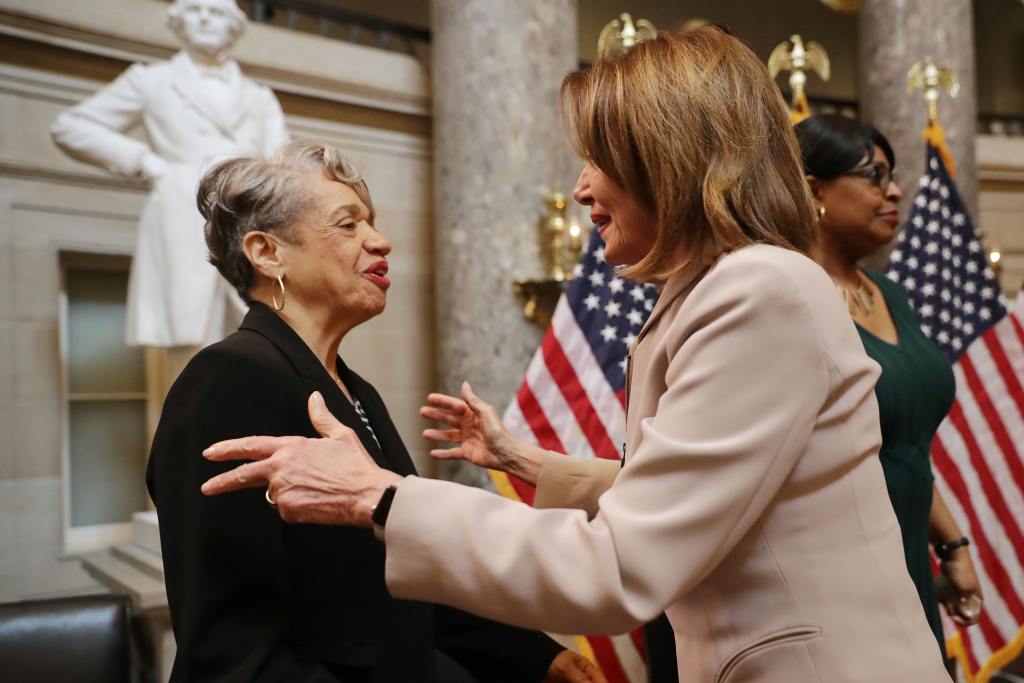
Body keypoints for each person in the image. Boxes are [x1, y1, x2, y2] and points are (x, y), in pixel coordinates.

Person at [199, 28, 952, 682]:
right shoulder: (721, 288)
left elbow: (624, 559)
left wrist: (381, 497)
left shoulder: (758, 289)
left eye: (598, 159)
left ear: (668, 159)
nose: (580, 188)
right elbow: (694, 487)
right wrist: (525, 462)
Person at [146, 140, 602, 683]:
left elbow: (409, 570)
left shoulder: (353, 389)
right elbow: (234, 648)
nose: (380, 241)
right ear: (268, 253)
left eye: (373, 223)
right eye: (348, 226)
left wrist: (536, 658)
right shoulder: (227, 381)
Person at [793, 113, 983, 657]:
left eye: (892, 175)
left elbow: (903, 449)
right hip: (837, 573)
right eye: (874, 175)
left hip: (908, 558)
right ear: (813, 190)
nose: (895, 190)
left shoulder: (889, 293)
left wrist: (952, 546)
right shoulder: (790, 298)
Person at [51, 0, 289, 349]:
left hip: (250, 216)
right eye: (195, 9)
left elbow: (283, 162)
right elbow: (70, 126)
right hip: (183, 211)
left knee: (270, 329)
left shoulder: (259, 97)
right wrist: (148, 163)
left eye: (217, 11)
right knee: (189, 334)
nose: (205, 18)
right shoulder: (150, 80)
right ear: (177, 22)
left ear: (234, 27)